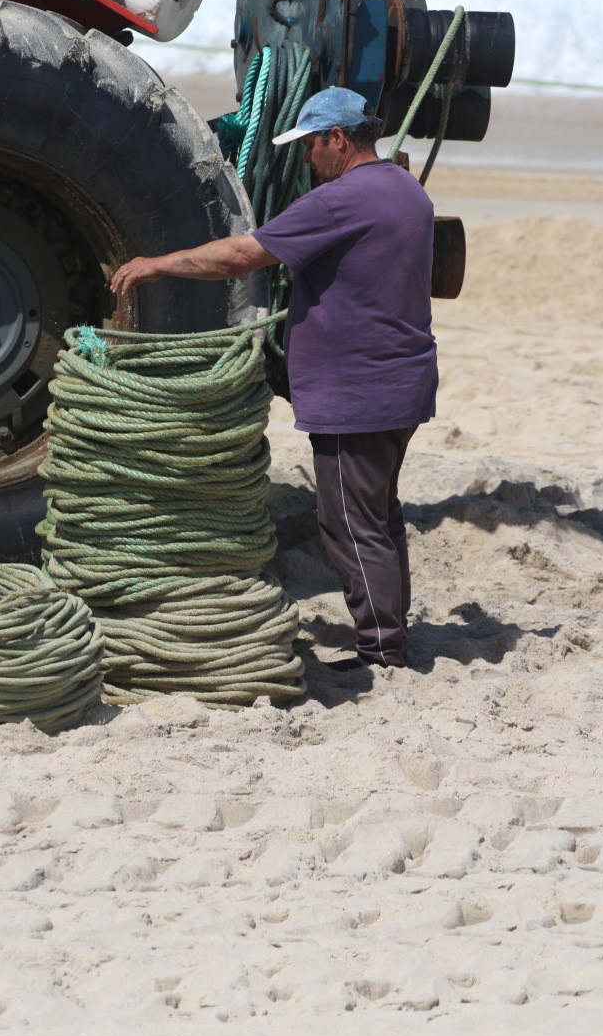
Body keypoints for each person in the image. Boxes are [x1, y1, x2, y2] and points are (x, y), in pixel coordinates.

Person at [110, 86, 437, 671]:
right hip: (403, 383)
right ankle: (389, 636)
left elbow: (240, 255)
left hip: (356, 392)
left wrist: (157, 265)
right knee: (379, 514)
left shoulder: (340, 201)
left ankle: (382, 651)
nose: (306, 158)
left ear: (339, 139)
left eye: (311, 145)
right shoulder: (406, 191)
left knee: (346, 521)